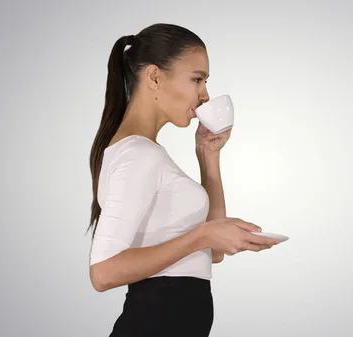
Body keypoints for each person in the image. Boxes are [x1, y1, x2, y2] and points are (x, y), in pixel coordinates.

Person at [86, 23, 280, 336]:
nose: (205, 95)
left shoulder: (146, 153)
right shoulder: (138, 154)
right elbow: (103, 272)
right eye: (197, 79)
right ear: (154, 77)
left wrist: (208, 155)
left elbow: (212, 254)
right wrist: (201, 236)